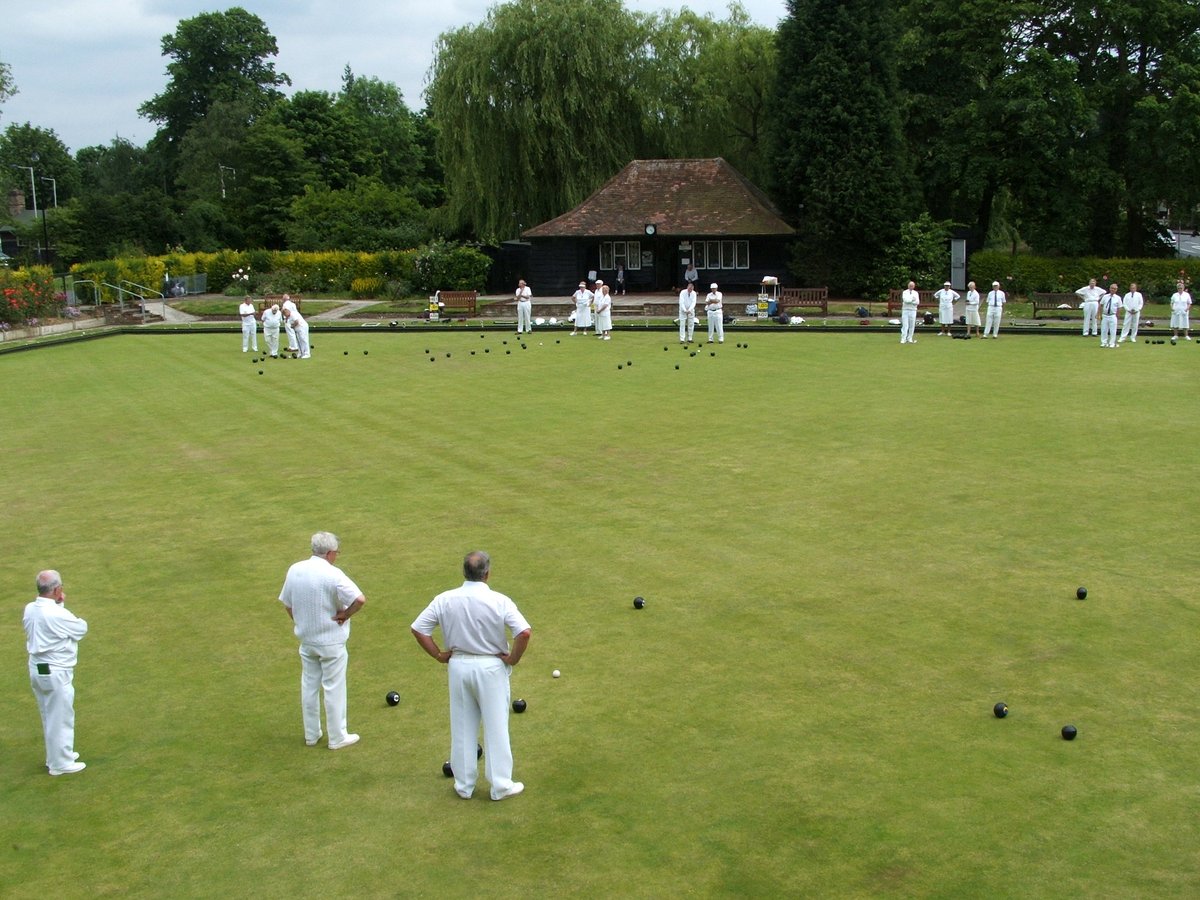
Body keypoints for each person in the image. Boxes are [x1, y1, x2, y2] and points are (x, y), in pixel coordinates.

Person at [411, 551, 531, 802]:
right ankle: (501, 785)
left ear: (464, 572)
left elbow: (419, 628)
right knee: (496, 726)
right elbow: (524, 632)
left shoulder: (444, 599)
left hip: (458, 666)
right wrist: (512, 659)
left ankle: (463, 785)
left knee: (462, 726)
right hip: (491, 668)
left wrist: (438, 655)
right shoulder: (500, 600)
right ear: (487, 573)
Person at [279, 532, 366, 750]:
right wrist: (345, 615)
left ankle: (311, 734)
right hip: (331, 642)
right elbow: (359, 599)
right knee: (334, 687)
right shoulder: (333, 574)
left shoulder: (295, 569)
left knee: (309, 685)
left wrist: (301, 622)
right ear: (329, 553)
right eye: (336, 552)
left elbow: (288, 604)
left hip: (307, 640)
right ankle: (337, 737)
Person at [24, 570, 88, 776]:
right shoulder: (56, 614)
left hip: (38, 669)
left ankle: (57, 756)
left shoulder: (30, 608)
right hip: (55, 672)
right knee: (61, 716)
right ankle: (60, 763)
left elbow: (55, 622)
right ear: (57, 589)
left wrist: (58, 604)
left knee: (49, 715)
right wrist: (61, 605)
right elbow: (80, 628)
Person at [1099, 283, 1122, 348]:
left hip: (1112, 315)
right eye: (1112, 288)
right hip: (1105, 315)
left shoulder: (1118, 298)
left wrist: (1117, 316)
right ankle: (1104, 342)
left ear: (1116, 290)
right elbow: (1101, 305)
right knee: (1104, 330)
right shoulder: (1105, 296)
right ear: (1109, 288)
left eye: (1114, 289)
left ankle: (1112, 343)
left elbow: (1119, 308)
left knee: (1113, 330)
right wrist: (1099, 314)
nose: (1113, 290)